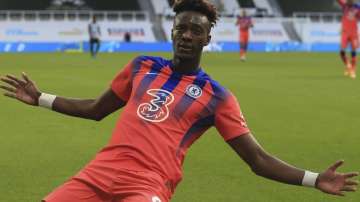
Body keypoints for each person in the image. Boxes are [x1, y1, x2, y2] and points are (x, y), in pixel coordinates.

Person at [0, 0, 359, 201]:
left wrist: (314, 179)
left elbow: (258, 160)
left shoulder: (217, 97)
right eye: (181, 28)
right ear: (172, 32)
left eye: (195, 31)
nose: (186, 36)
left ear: (207, 39)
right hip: (99, 173)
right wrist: (41, 98)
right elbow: (96, 110)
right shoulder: (142, 67)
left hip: (148, 185)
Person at [337, 0, 360, 79]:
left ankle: (352, 70)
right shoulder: (344, 5)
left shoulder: (358, 7)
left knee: (353, 51)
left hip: (354, 33)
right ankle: (348, 65)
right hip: (345, 32)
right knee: (342, 51)